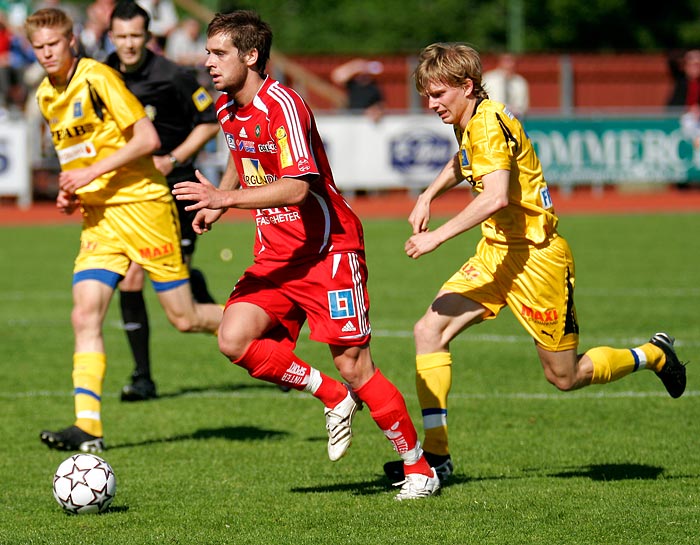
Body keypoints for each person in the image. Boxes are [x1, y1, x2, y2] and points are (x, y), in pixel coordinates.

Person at [382, 42, 687, 484]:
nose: (431, 105)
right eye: (427, 96)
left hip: (537, 261)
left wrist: (437, 237)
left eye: (438, 95)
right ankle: (436, 456)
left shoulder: (486, 124)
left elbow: (495, 195)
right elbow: (465, 161)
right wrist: (429, 193)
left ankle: (653, 355)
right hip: (496, 254)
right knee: (428, 330)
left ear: (467, 86)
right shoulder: (471, 116)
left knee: (564, 376)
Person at [171, 10, 439, 500]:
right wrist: (222, 199)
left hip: (327, 250)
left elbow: (297, 188)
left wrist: (223, 200)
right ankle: (332, 396)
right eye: (208, 52)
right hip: (276, 256)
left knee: (355, 364)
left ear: (251, 56)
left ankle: (418, 467)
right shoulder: (228, 106)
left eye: (218, 53)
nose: (207, 62)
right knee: (233, 339)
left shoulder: (285, 105)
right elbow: (242, 155)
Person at [25, 7, 223, 453]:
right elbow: (77, 154)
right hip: (101, 220)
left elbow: (148, 140)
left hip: (145, 207)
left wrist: (93, 170)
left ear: (72, 41)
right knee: (84, 314)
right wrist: (72, 190)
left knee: (184, 317)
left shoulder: (99, 78)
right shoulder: (45, 94)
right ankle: (88, 426)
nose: (45, 54)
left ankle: (261, 323)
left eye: (53, 44)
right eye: (38, 48)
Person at [105, 0, 220, 401]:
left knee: (182, 309)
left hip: (179, 192)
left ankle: (248, 325)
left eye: (135, 35)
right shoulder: (104, 74)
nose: (128, 44)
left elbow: (209, 122)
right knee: (131, 279)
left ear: (148, 36)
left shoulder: (173, 75)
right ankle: (142, 377)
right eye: (121, 36)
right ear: (110, 36)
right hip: (135, 197)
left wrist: (172, 159)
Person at [330, 57, 384, 122]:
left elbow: (380, 104)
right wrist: (355, 67)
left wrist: (373, 111)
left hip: (365, 120)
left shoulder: (374, 88)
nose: (363, 75)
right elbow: (337, 76)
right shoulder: (352, 84)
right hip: (351, 117)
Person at [481, 52, 529, 118]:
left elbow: (523, 106)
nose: (509, 65)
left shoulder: (520, 82)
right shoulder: (488, 79)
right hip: (491, 118)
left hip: (513, 120)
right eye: (506, 62)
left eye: (511, 62)